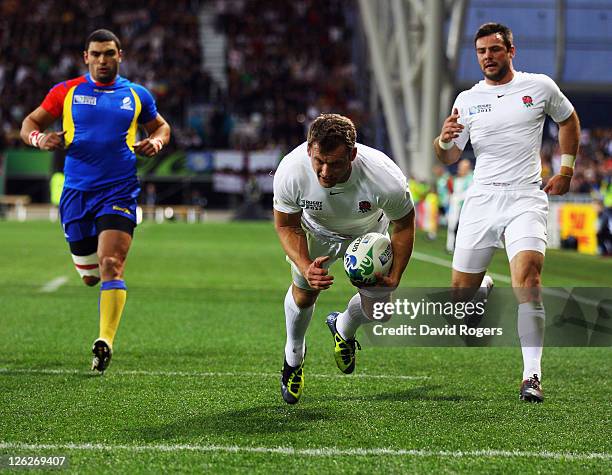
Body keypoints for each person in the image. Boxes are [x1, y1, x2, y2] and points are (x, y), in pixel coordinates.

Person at [433, 23, 580, 402]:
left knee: (528, 283)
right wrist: (443, 139)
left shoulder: (539, 87)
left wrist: (565, 169)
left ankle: (532, 376)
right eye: (481, 51)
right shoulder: (466, 100)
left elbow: (569, 120)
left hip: (525, 198)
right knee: (459, 296)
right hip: (482, 201)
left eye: (495, 50)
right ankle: (481, 289)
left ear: (511, 51)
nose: (488, 57)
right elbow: (449, 155)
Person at [20, 29, 171, 373]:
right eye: (96, 54)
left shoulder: (136, 94)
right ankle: (92, 282)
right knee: (89, 276)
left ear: (121, 55)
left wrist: (157, 143)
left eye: (109, 54)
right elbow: (29, 123)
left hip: (119, 192)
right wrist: (39, 138)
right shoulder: (66, 91)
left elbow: (162, 128)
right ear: (85, 57)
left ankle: (105, 341)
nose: (103, 60)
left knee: (111, 265)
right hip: (76, 195)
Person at [273, 113, 415, 404]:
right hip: (315, 232)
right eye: (319, 161)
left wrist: (396, 275)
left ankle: (343, 328)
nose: (325, 171)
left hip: (367, 236)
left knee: (380, 311)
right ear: (310, 149)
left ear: (352, 153)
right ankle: (294, 356)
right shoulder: (291, 170)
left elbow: (403, 224)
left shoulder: (385, 177)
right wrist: (304, 265)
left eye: (335, 163)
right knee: (304, 296)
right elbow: (286, 224)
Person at [446, 159, 473, 253]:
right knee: (451, 225)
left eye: (463, 167)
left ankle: (460, 247)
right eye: (460, 167)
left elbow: (468, 192)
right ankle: (450, 246)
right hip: (454, 206)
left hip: (465, 207)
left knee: (462, 228)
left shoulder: (471, 178)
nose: (460, 169)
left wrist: (457, 198)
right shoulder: (457, 178)